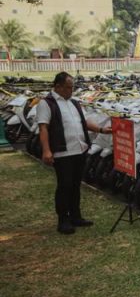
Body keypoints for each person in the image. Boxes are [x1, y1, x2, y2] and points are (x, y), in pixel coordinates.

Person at [35, 72, 111, 234]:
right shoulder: (47, 104)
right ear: (58, 87)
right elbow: (43, 128)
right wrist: (47, 150)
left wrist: (102, 130)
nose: (71, 90)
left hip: (79, 150)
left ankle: (76, 216)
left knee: (76, 186)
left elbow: (84, 122)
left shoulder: (74, 103)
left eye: (72, 87)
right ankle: (63, 220)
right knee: (64, 186)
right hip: (63, 153)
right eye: (69, 87)